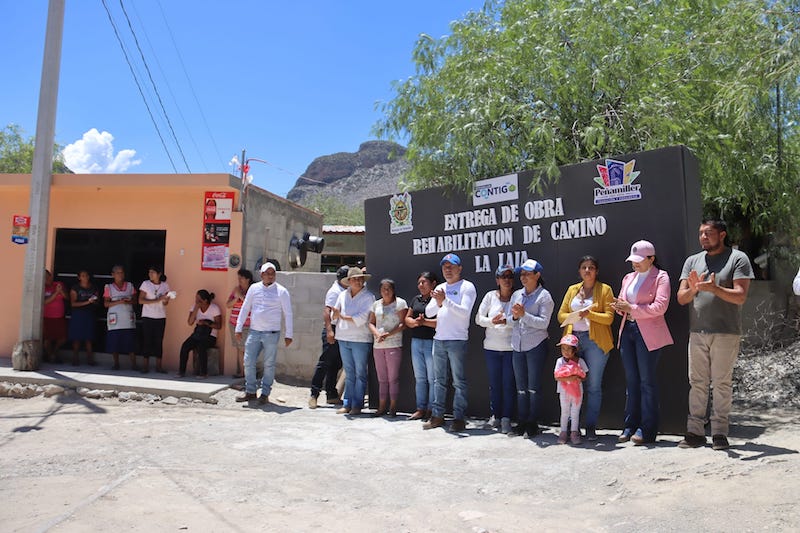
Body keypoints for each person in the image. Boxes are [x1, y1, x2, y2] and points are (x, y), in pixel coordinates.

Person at [677, 219, 753, 451]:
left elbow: (740, 296)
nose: (703, 238)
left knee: (721, 383)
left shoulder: (737, 259)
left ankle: (719, 433)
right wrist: (693, 288)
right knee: (697, 382)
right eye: (701, 234)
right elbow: (681, 298)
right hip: (697, 332)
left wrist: (715, 289)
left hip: (725, 332)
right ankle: (695, 432)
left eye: (708, 233)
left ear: (722, 234)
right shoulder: (692, 261)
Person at [611, 240, 674, 445]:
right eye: (633, 260)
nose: (635, 264)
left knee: (647, 382)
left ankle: (647, 429)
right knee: (632, 381)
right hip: (627, 329)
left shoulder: (661, 277)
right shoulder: (628, 277)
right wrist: (620, 307)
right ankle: (629, 425)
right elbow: (623, 303)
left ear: (651, 259)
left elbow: (660, 307)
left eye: (639, 260)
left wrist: (631, 308)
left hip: (647, 333)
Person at [557, 255, 615, 441]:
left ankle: (590, 427)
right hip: (573, 342)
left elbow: (609, 318)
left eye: (591, 267)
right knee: (570, 383)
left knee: (593, 386)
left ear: (596, 271)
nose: (587, 270)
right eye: (584, 267)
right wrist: (576, 315)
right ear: (579, 271)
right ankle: (571, 428)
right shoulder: (572, 290)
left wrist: (590, 315)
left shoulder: (605, 289)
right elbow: (561, 316)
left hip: (595, 342)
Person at [423, 253, 477, 432]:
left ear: (459, 268)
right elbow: (430, 312)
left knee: (458, 381)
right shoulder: (440, 287)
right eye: (445, 266)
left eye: (451, 266)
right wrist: (438, 302)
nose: (448, 269)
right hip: (439, 339)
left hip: (457, 340)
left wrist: (444, 301)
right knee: (439, 380)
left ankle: (459, 418)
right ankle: (437, 416)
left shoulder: (467, 287)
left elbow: (464, 312)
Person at [235, 262, 294, 404]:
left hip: (271, 333)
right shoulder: (254, 289)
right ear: (261, 275)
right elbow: (245, 308)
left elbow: (288, 313)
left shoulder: (282, 291)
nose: (270, 276)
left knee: (269, 364)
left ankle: (265, 393)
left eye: (272, 273)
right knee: (248, 362)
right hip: (254, 332)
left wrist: (289, 334)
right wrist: (238, 327)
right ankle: (250, 391)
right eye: (267, 273)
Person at [509, 259, 554, 437]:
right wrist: (514, 316)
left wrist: (523, 315)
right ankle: (522, 421)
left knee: (533, 387)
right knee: (520, 387)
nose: (524, 277)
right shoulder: (517, 295)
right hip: (517, 345)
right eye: (522, 274)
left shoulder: (544, 296)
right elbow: (509, 317)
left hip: (536, 345)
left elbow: (544, 323)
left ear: (537, 275)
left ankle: (532, 423)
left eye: (528, 274)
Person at [475, 264, 516, 435]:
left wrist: (507, 321)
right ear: (497, 280)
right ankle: (495, 416)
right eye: (502, 276)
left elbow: (521, 320)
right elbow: (478, 319)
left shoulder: (518, 297)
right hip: (491, 347)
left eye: (509, 276)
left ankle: (506, 418)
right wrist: (493, 322)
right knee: (494, 384)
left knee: (508, 384)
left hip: (511, 348)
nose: (506, 280)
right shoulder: (490, 296)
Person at [332, 267, 375, 416]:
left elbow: (363, 318)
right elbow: (334, 313)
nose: (358, 281)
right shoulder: (342, 295)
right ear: (349, 281)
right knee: (349, 373)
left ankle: (357, 404)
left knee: (360, 373)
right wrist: (337, 315)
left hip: (361, 339)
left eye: (360, 278)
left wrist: (341, 316)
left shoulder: (368, 297)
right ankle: (347, 403)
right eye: (354, 279)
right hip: (343, 337)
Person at [308, 265, 349, 408]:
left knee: (336, 364)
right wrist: (329, 331)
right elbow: (327, 312)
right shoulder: (335, 291)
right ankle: (314, 394)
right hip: (333, 328)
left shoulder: (346, 290)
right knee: (325, 363)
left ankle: (331, 394)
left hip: (342, 330)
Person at [368, 279, 407, 417]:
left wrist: (389, 334)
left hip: (394, 344)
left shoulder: (400, 303)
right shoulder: (376, 304)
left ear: (393, 290)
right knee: (382, 378)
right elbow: (371, 323)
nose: (386, 291)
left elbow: (403, 324)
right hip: (378, 345)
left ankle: (393, 407)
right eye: (383, 288)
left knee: (393, 378)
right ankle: (381, 406)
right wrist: (377, 334)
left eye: (389, 288)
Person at [404, 271, 438, 421]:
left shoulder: (437, 300)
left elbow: (440, 320)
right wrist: (416, 322)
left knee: (432, 378)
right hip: (416, 342)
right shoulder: (415, 299)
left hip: (431, 342)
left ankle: (431, 409)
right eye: (419, 282)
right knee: (420, 378)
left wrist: (424, 322)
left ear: (433, 284)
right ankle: (420, 408)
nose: (421, 285)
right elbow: (407, 319)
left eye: (424, 282)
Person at [178, 290, 222, 378]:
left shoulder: (214, 308)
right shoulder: (195, 307)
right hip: (198, 334)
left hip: (210, 336)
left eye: (198, 300)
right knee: (185, 346)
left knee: (201, 347)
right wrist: (195, 309)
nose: (196, 302)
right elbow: (190, 322)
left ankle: (203, 373)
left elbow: (219, 326)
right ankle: (181, 371)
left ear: (205, 300)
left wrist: (206, 323)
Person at [554, 334, 588, 445]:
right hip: (563, 391)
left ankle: (574, 433)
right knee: (564, 412)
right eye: (563, 349)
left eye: (569, 349)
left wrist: (579, 376)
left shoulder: (580, 361)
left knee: (575, 412)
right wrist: (570, 377)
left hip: (577, 392)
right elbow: (557, 376)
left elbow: (585, 375)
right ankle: (563, 432)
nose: (566, 351)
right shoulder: (559, 361)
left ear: (575, 349)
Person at [104, 265, 137, 371]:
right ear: (113, 275)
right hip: (115, 318)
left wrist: (128, 301)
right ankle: (116, 363)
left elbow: (136, 301)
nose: (120, 275)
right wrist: (119, 301)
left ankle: (134, 364)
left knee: (130, 342)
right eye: (118, 273)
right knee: (114, 341)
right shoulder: (109, 287)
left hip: (128, 317)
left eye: (122, 272)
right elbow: (106, 303)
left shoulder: (130, 286)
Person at [138, 266, 171, 374]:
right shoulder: (146, 284)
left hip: (160, 316)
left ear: (159, 274)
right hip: (148, 316)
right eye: (149, 272)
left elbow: (166, 303)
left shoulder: (165, 285)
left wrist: (166, 299)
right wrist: (157, 299)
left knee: (159, 341)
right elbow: (141, 300)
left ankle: (159, 366)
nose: (150, 274)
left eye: (153, 272)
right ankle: (145, 366)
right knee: (147, 340)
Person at [226, 269, 254, 379]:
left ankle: (246, 372)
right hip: (234, 323)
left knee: (244, 348)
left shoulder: (253, 290)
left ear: (247, 279)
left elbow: (250, 305)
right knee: (238, 348)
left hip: (246, 324)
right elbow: (228, 304)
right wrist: (236, 297)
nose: (239, 281)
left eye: (241, 278)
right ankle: (241, 372)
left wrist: (241, 296)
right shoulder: (236, 290)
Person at [68, 270, 99, 366]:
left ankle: (90, 359)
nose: (85, 277)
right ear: (79, 277)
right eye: (83, 276)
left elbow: (97, 302)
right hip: (78, 314)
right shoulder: (75, 288)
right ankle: (75, 358)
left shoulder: (94, 287)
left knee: (89, 338)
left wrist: (94, 301)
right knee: (76, 337)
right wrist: (87, 302)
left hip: (90, 313)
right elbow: (73, 303)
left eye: (86, 275)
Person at [43, 269, 68, 363]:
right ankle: (50, 356)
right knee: (47, 339)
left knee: (63, 338)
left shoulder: (58, 284)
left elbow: (67, 297)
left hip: (59, 316)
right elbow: (45, 302)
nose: (46, 279)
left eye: (47, 276)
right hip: (47, 317)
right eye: (44, 277)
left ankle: (54, 353)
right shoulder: (42, 287)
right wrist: (56, 293)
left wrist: (61, 291)